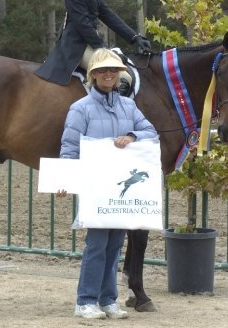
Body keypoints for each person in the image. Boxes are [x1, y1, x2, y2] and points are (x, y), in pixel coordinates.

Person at [57, 48, 157, 320]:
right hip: (96, 187)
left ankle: (108, 299)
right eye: (102, 70)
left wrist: (133, 136)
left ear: (119, 74)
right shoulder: (80, 109)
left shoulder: (129, 106)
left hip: (120, 190)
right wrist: (65, 179)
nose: (109, 74)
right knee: (97, 244)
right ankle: (85, 301)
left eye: (113, 70)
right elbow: (69, 147)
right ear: (93, 75)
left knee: (114, 245)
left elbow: (151, 133)